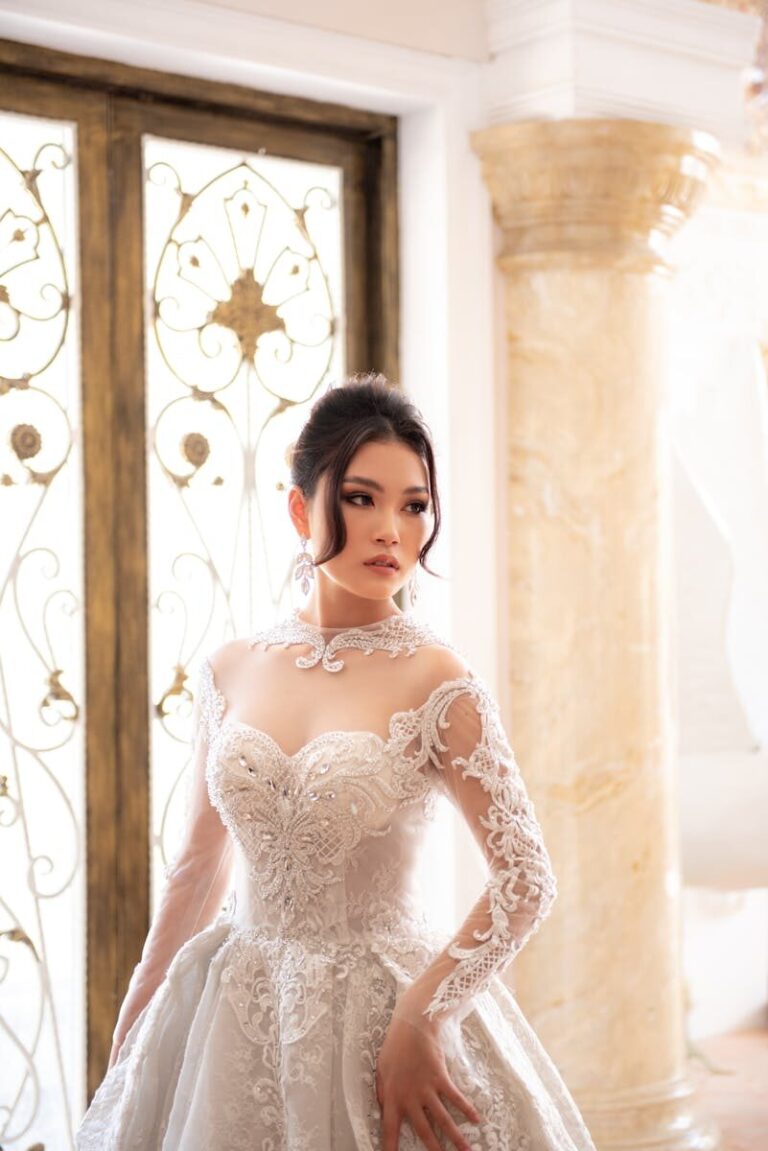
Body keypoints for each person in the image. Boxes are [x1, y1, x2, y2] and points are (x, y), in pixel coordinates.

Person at [76, 374, 597, 1150]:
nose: (392, 528)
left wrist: (424, 1014)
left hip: (387, 1015)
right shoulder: (229, 669)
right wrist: (140, 1013)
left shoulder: (439, 680)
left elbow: (525, 877)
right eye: (361, 497)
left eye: (414, 504)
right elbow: (197, 868)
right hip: (233, 1009)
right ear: (301, 507)